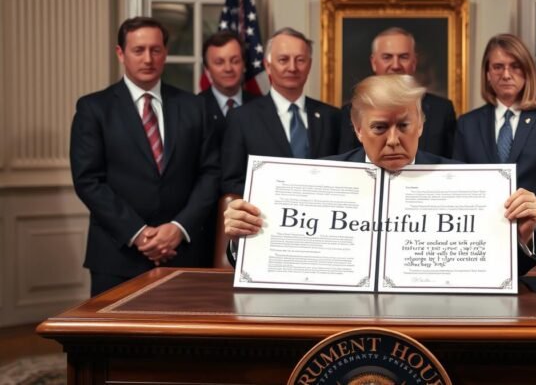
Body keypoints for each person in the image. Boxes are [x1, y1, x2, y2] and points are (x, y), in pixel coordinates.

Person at [224, 74, 536, 275]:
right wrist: (243, 239)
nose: (393, 139)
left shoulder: (468, 183)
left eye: (404, 126)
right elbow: (263, 264)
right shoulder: (317, 179)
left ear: (421, 124)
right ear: (358, 129)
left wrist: (522, 235)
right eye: (379, 127)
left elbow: (503, 275)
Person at [70, 17, 220, 296]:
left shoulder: (194, 107)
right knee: (115, 340)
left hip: (185, 253)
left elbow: (210, 173)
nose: (148, 58)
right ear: (120, 53)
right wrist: (139, 233)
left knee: (186, 339)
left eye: (156, 50)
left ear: (165, 53)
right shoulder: (94, 109)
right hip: (117, 256)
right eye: (138, 50)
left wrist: (178, 228)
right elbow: (88, 180)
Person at [453, 34, 536, 249]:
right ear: (487, 74)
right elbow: (457, 182)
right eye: (498, 67)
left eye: (515, 66)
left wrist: (532, 228)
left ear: (527, 71)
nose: (506, 74)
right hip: (478, 238)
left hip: (532, 239)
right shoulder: (467, 123)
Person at [221, 27, 340, 195]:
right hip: (265, 217)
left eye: (300, 60)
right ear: (268, 66)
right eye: (283, 60)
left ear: (310, 65)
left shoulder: (333, 117)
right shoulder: (241, 118)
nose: (292, 68)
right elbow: (231, 182)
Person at [337, 27, 456, 157]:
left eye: (403, 57)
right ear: (374, 63)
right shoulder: (350, 110)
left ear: (414, 62)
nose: (395, 65)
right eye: (387, 57)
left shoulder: (442, 110)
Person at [198, 30, 256, 144]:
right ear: (207, 70)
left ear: (244, 65)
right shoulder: (195, 109)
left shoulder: (261, 106)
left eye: (235, 61)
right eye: (219, 62)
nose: (228, 68)